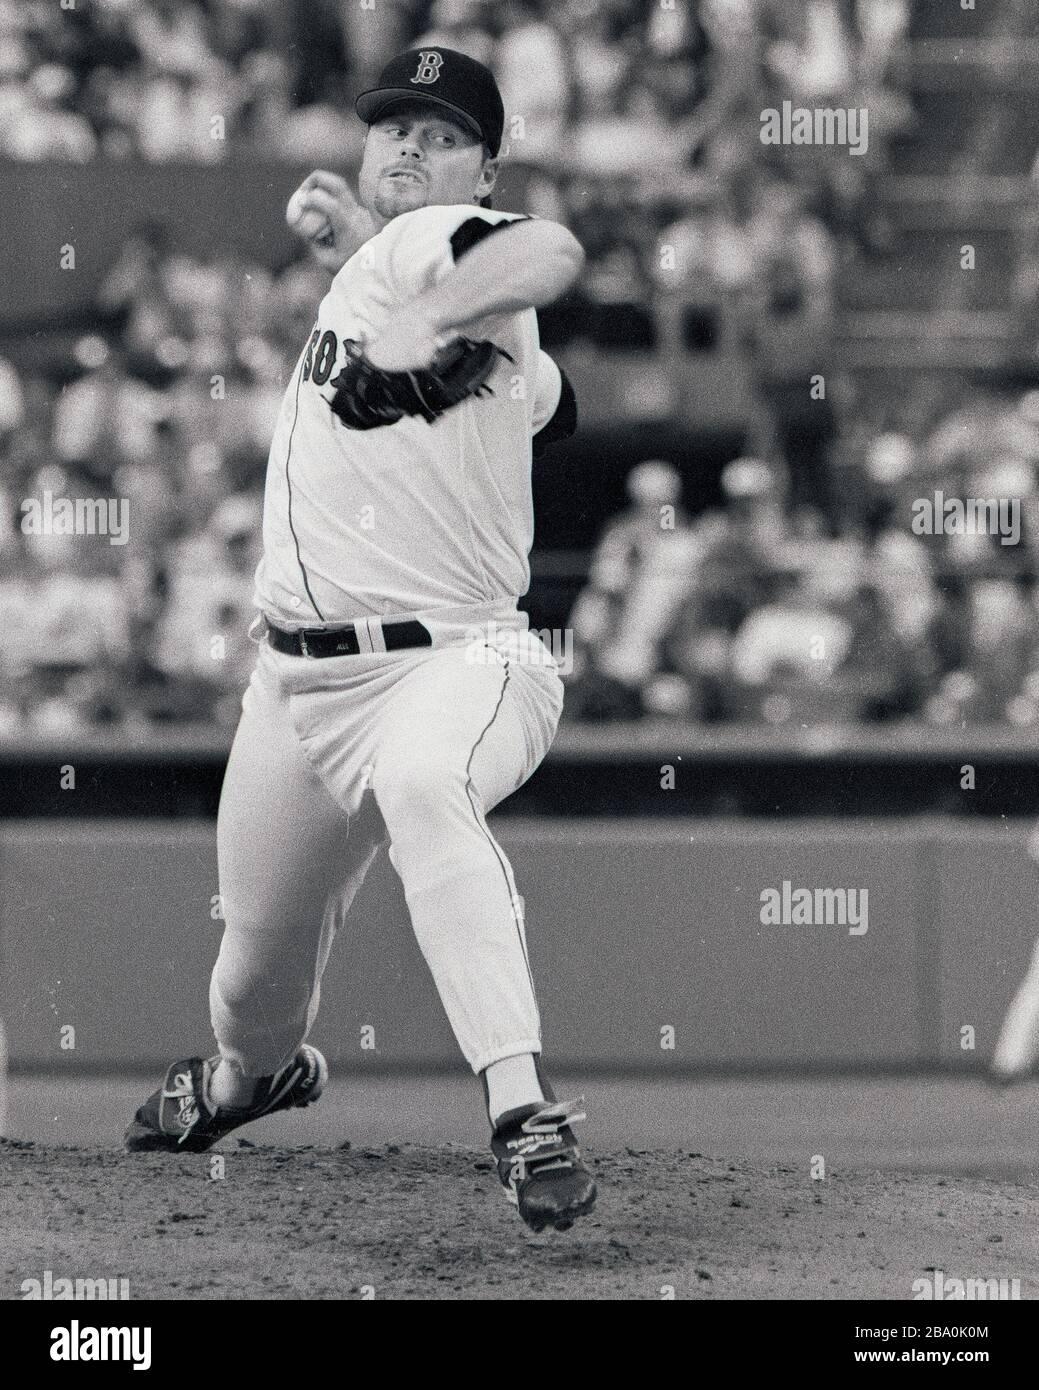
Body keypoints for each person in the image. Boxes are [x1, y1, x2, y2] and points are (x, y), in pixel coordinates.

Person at [124, 47, 596, 1234]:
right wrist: (369, 273)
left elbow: (550, 252)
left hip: (455, 663)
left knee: (426, 781)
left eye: (439, 134)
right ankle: (250, 1081)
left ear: (486, 165)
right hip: (292, 691)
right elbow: (528, 393)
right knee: (251, 992)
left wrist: (419, 299)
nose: (404, 148)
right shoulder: (389, 269)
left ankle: (522, 1112)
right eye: (391, 127)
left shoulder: (462, 250)